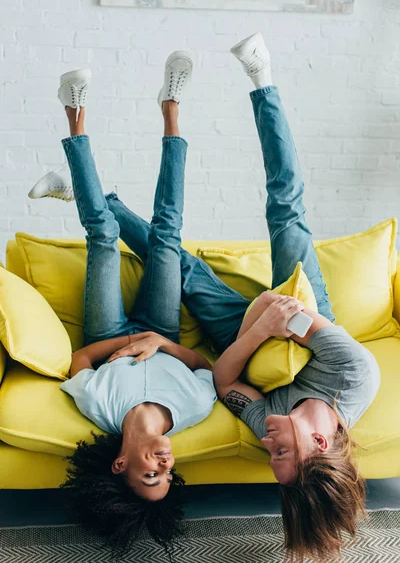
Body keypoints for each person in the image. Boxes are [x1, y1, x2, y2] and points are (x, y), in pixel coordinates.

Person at [30, 33, 381, 563]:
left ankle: (89, 194)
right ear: (321, 445)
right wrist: (264, 326)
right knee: (286, 212)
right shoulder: (356, 377)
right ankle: (263, 80)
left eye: (272, 456)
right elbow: (282, 309)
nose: (268, 444)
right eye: (281, 452)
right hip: (295, 311)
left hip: (250, 335)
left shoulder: (269, 425)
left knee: (176, 255)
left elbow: (223, 379)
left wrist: (255, 334)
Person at [29, 53, 218, 556]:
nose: (164, 461)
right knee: (167, 236)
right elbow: (203, 365)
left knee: (104, 236)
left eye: (149, 473)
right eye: (167, 474)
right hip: (162, 331)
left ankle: (75, 115)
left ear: (120, 465)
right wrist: (158, 341)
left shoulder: (101, 409)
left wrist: (127, 341)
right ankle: (172, 108)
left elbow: (81, 361)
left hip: (107, 329)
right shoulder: (193, 409)